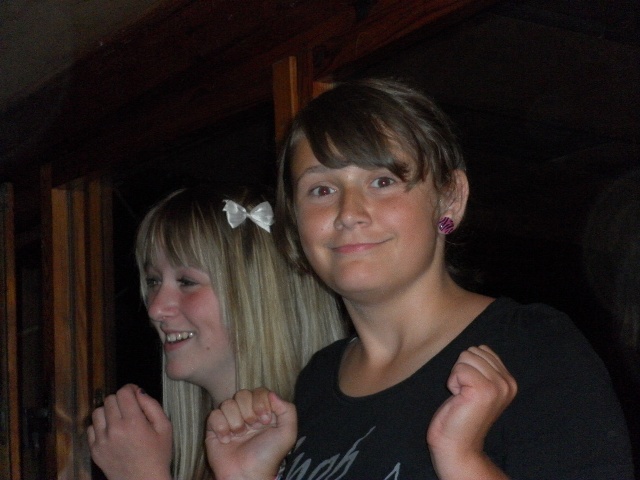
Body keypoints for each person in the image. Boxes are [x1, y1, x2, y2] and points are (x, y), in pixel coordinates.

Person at [204, 78, 635, 479]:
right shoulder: (319, 378)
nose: (349, 213)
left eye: (382, 181)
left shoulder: (532, 345)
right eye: (322, 190)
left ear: (450, 199)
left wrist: (462, 458)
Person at [86, 185, 347, 480]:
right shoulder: (199, 457)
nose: (155, 309)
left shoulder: (327, 452)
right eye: (154, 281)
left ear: (257, 296)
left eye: (186, 282)